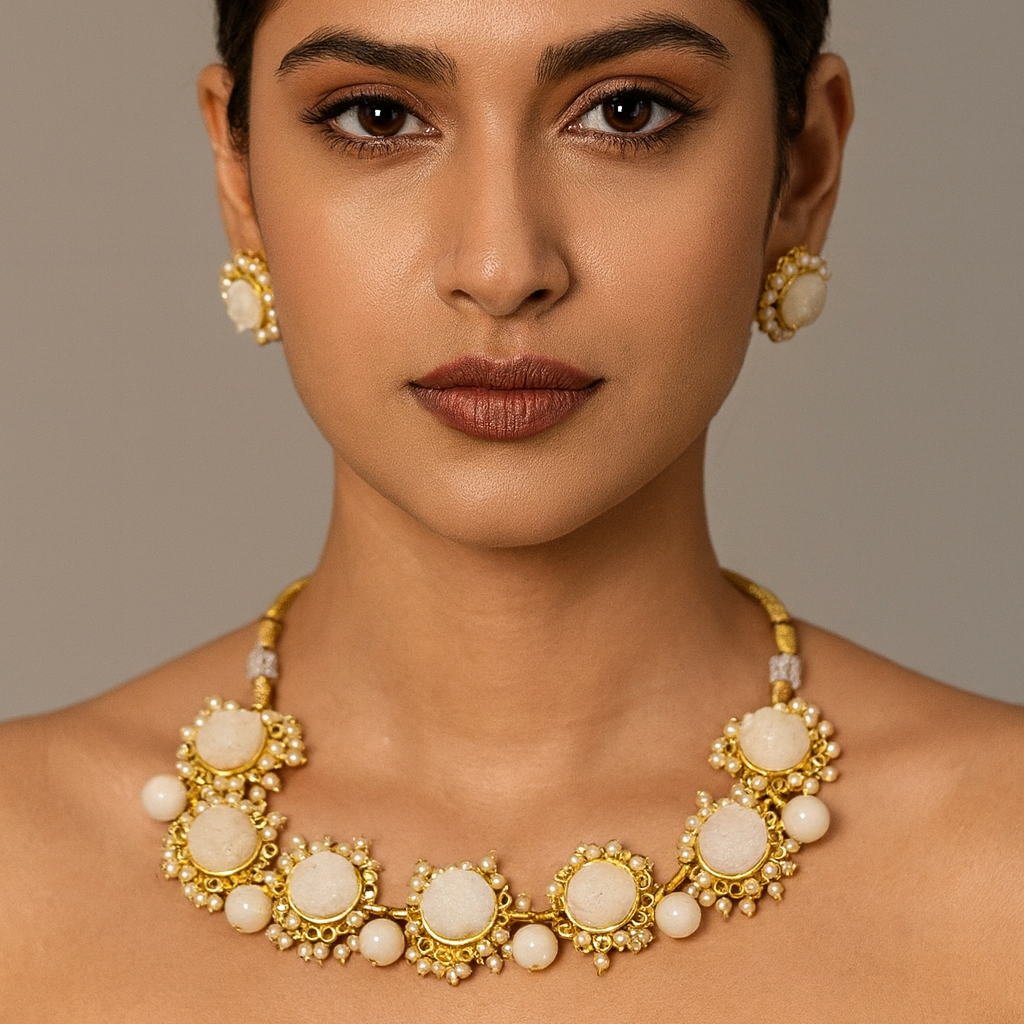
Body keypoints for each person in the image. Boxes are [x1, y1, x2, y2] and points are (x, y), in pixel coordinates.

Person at [1, 0, 1021, 1020]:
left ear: (801, 170)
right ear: (240, 175)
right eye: (376, 118)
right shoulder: (22, 874)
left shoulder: (997, 874)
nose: (500, 269)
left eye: (626, 113)